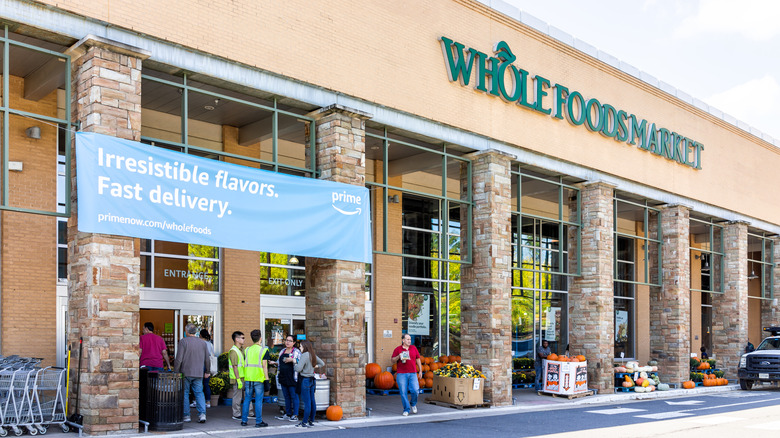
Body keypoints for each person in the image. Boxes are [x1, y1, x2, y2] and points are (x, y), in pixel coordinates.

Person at [174, 323, 210, 423]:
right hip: (198, 372)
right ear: (196, 332)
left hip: (186, 372)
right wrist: (207, 371)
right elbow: (207, 359)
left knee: (185, 393)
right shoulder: (203, 343)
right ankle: (202, 414)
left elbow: (179, 359)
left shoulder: (183, 342)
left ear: (186, 331)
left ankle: (187, 416)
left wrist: (176, 372)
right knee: (199, 393)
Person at [241, 329, 269, 428]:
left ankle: (244, 420)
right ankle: (258, 422)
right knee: (258, 400)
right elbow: (265, 366)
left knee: (247, 400)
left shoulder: (247, 350)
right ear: (260, 338)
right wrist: (267, 379)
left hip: (248, 378)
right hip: (258, 378)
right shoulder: (264, 350)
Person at [294, 339, 324, 428]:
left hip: (305, 380)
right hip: (312, 380)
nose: (299, 348)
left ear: (305, 347)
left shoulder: (304, 355)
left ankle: (304, 422)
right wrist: (316, 366)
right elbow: (322, 363)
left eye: (300, 346)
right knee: (312, 401)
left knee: (307, 402)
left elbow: (298, 369)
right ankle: (311, 421)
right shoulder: (312, 354)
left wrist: (295, 363)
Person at [391, 333, 422, 417]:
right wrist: (399, 356)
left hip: (413, 373)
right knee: (403, 392)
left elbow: (418, 359)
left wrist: (420, 370)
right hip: (401, 374)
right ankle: (406, 409)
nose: (409, 341)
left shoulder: (413, 348)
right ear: (403, 340)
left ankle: (413, 403)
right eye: (407, 339)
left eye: (410, 339)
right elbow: (392, 360)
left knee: (415, 390)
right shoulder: (398, 349)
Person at [274, 334, 301, 422]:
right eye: (286, 340)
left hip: (292, 378)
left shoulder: (296, 352)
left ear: (294, 343)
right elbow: (279, 362)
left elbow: (300, 363)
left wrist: (292, 360)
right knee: (286, 396)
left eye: (290, 341)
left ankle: (295, 415)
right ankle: (288, 413)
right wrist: (273, 363)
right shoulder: (282, 351)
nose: (287, 342)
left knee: (294, 396)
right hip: (283, 377)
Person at [228, 331, 245, 420]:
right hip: (237, 378)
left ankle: (249, 412)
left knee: (245, 396)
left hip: (243, 376)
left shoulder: (241, 350)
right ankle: (236, 414)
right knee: (237, 397)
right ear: (236, 339)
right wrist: (238, 380)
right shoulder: (234, 351)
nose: (244, 339)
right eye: (242, 338)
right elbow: (235, 367)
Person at [200, 329, 216, 408]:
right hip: (208, 365)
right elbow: (212, 355)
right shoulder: (210, 344)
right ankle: (208, 401)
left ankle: (197, 401)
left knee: (198, 384)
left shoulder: (200, 343)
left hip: (200, 365)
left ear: (200, 335)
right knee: (206, 384)